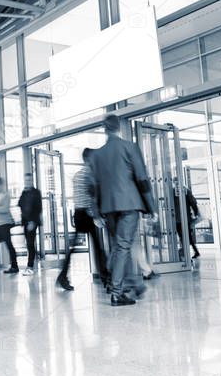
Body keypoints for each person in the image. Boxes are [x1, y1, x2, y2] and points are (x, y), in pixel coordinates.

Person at [90, 114, 155, 306]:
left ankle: (128, 285)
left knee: (120, 247)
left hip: (109, 208)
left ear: (105, 129)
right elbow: (142, 178)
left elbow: (93, 187)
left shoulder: (97, 155)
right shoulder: (129, 147)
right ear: (119, 127)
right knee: (124, 246)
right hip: (129, 204)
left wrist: (96, 213)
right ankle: (118, 292)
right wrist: (151, 207)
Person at [57, 148, 108, 292]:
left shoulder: (78, 175)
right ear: (89, 159)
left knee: (75, 248)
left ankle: (63, 276)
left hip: (79, 213)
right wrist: (97, 216)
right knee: (98, 247)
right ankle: (106, 277)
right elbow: (91, 199)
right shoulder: (89, 174)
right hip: (87, 214)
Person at [0, 178, 18, 274]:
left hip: (4, 224)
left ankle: (14, 266)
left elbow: (5, 209)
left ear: (0, 185)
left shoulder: (6, 195)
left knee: (9, 245)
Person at [17, 176, 43, 276]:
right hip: (26, 221)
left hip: (32, 222)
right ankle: (33, 264)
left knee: (30, 244)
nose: (27, 182)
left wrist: (33, 221)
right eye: (25, 180)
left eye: (28, 180)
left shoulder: (36, 192)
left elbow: (38, 208)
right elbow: (19, 204)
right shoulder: (25, 192)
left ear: (32, 181)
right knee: (29, 244)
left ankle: (30, 267)